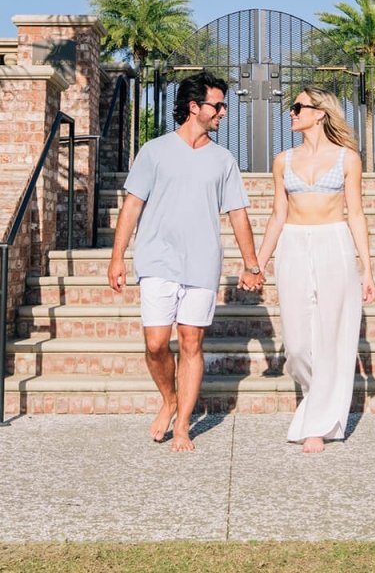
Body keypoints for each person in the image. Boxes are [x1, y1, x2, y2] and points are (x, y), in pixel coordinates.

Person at [107, 71, 260, 452]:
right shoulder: (154, 151)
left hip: (202, 263)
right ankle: (169, 399)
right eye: (218, 105)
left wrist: (251, 264)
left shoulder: (223, 160)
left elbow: (238, 213)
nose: (224, 112)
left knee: (191, 343)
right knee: (157, 343)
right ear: (195, 107)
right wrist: (117, 257)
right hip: (157, 258)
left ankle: (183, 425)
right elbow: (132, 206)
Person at [251, 87, 375, 452]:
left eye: (297, 107)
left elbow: (356, 213)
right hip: (292, 243)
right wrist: (256, 262)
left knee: (334, 335)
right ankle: (316, 402)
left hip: (334, 243)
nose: (291, 113)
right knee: (300, 344)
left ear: (319, 113)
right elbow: (277, 215)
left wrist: (367, 268)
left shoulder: (347, 159)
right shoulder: (282, 160)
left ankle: (317, 424)